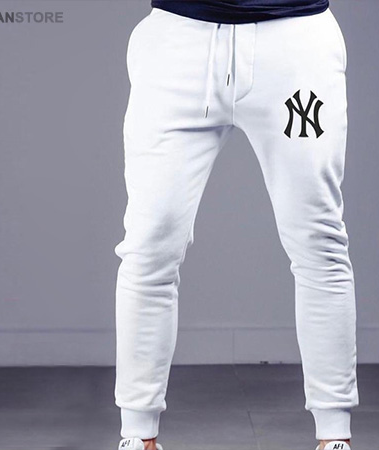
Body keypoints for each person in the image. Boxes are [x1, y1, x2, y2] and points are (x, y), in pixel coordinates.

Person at [114, 1, 359, 449]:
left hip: (295, 42)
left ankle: (334, 436)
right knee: (149, 246)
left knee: (318, 241)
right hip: (177, 42)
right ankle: (137, 435)